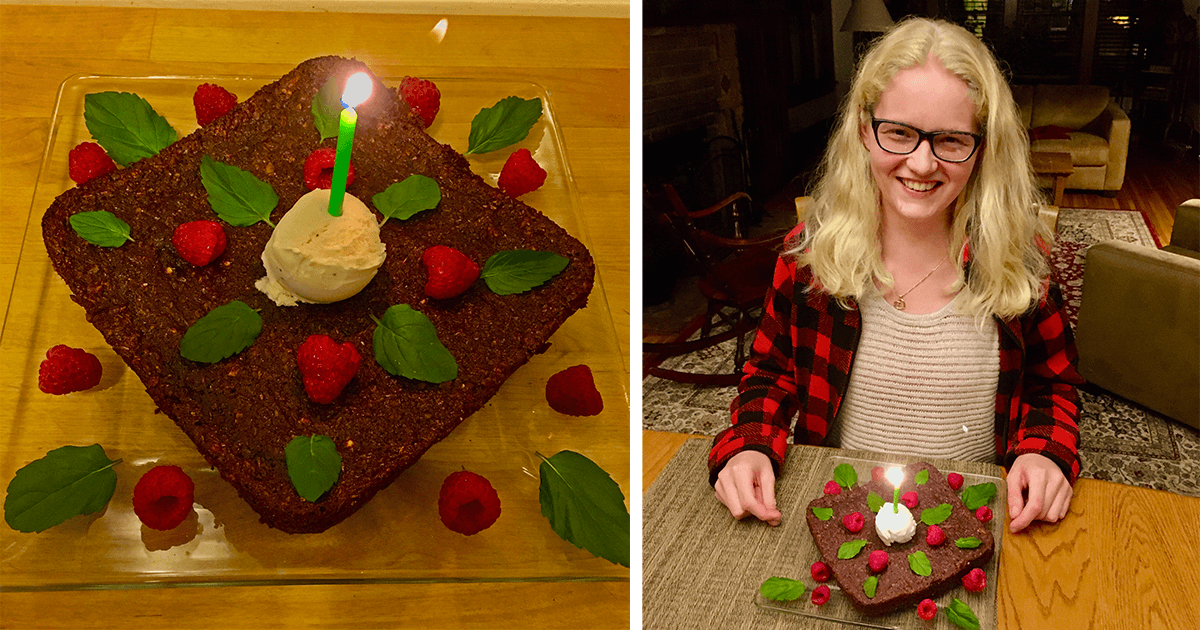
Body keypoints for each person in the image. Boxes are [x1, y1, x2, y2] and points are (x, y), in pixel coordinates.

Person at [708, 17, 1084, 534]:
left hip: (975, 519)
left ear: (983, 147)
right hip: (845, 518)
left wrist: (1046, 455)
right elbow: (769, 375)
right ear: (865, 130)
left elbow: (1052, 386)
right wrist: (749, 444)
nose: (922, 163)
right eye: (900, 133)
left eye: (951, 140)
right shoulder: (810, 261)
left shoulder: (1022, 263)